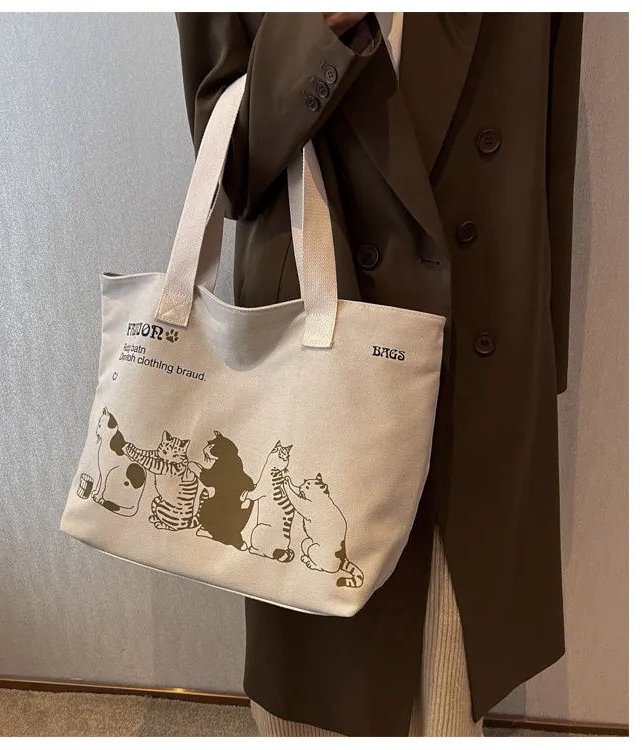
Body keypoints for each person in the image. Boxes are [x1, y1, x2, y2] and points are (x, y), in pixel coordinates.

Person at [174, 11, 583, 737]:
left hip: (478, 334)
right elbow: (229, 168)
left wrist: (539, 354)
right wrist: (317, 28)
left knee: (447, 683)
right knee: (317, 687)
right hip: (317, 351)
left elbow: (548, 145)